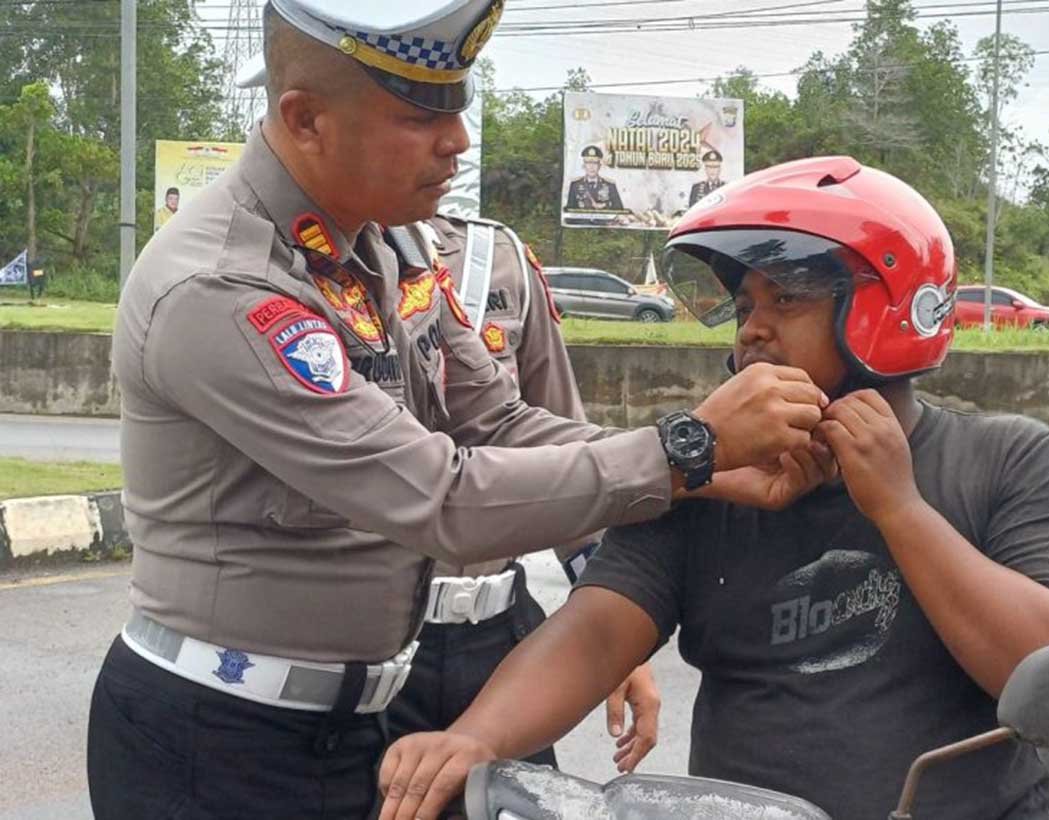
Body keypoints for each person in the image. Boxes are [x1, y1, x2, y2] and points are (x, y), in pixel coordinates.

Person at [86, 2, 829, 818]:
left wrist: (712, 469)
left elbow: (500, 425)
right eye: (417, 117)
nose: (458, 143)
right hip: (217, 740)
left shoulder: (386, 246)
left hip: (358, 725)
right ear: (306, 120)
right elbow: (441, 499)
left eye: (457, 110)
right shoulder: (225, 288)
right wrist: (688, 448)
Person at [374, 156, 1049, 820]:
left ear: (884, 311)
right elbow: (597, 629)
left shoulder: (1006, 459)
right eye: (746, 306)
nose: (751, 331)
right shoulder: (713, 478)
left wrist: (900, 507)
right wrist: (475, 736)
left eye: (785, 300)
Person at [388, 211, 660, 772]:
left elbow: (559, 444)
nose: (448, 143)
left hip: (495, 637)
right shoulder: (310, 266)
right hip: (373, 647)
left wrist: (621, 623)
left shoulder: (497, 256)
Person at [565, 145, 626, 212]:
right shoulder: (575, 185)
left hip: (603, 222)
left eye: (595, 163)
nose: (591, 167)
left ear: (599, 166)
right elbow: (569, 211)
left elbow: (619, 210)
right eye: (588, 163)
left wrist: (605, 205)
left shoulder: (610, 185)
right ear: (584, 166)